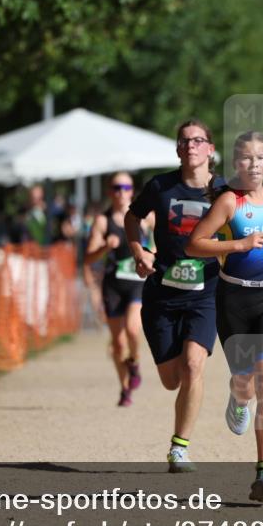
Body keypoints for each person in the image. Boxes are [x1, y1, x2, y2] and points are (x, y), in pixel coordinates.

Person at [186, 131, 263, 503]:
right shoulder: (228, 202)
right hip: (233, 300)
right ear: (236, 164)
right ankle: (238, 399)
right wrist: (239, 244)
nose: (254, 164)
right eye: (246, 158)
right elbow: (194, 244)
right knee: (246, 383)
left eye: (260, 158)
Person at [125, 119, 227, 473]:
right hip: (162, 294)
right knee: (172, 380)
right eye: (184, 141)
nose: (191, 146)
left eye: (198, 140)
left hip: (206, 293)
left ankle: (179, 448)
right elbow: (132, 217)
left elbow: (248, 219)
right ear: (177, 149)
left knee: (193, 365)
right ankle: (180, 392)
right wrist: (139, 251)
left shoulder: (225, 190)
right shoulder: (160, 186)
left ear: (210, 149)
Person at [84, 173, 153, 407]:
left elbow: (164, 240)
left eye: (125, 187)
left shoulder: (147, 217)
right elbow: (88, 258)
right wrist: (105, 246)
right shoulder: (103, 221)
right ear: (109, 191)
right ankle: (125, 389)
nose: (121, 192)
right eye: (116, 187)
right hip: (113, 285)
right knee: (118, 343)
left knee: (133, 329)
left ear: (132, 191)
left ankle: (134, 362)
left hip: (137, 282)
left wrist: (153, 252)